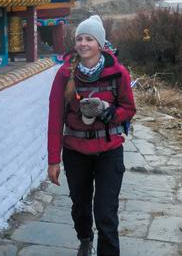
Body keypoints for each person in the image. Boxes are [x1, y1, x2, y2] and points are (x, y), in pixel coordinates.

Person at [48, 15, 136, 256]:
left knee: (106, 213)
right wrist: (53, 160)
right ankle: (85, 239)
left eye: (89, 39)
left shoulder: (117, 73)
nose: (83, 44)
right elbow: (55, 118)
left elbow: (129, 108)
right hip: (76, 151)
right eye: (79, 39)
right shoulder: (65, 74)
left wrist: (111, 113)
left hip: (109, 151)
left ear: (100, 44)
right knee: (81, 207)